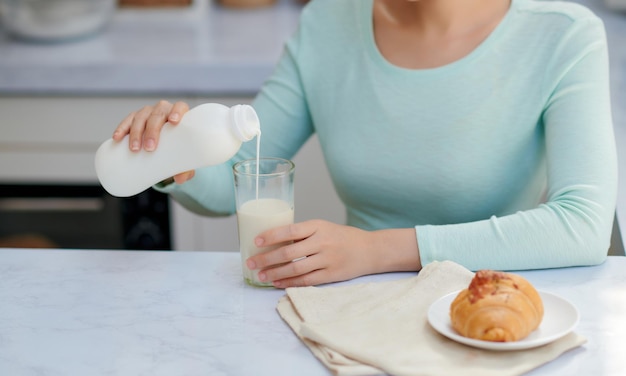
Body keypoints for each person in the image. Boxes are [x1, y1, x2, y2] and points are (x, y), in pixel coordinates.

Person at [111, 0, 617, 288]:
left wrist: (376, 250)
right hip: (353, 308)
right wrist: (172, 155)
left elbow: (583, 225)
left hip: (493, 306)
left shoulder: (562, 35)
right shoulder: (328, 22)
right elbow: (239, 178)